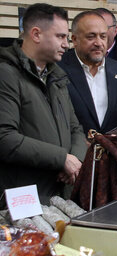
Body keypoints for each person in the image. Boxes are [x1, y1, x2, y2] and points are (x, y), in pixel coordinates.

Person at [0, 3, 86, 204]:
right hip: (22, 199)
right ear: (36, 34)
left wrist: (74, 160)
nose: (66, 44)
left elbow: (76, 129)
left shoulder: (57, 77)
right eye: (60, 36)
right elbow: (5, 138)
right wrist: (61, 159)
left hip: (59, 193)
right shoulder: (6, 74)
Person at [58, 11, 117, 135]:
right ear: (74, 39)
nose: (99, 43)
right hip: (73, 151)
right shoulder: (58, 69)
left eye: (103, 36)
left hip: (111, 151)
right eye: (91, 37)